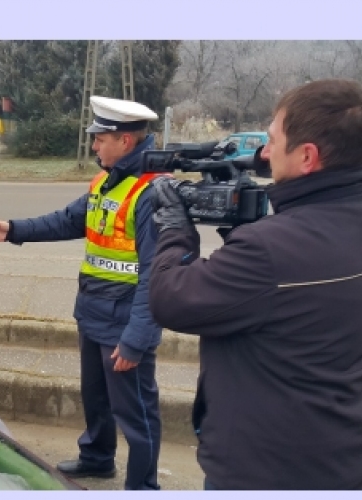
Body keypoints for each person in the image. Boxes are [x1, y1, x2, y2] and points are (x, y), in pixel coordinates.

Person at [147, 78, 362, 490]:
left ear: (307, 156)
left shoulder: (268, 249)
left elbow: (171, 299)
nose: (263, 154)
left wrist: (176, 230)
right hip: (341, 453)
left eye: (272, 141)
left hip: (265, 469)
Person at [0, 96, 162, 490]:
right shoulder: (106, 181)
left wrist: (137, 338)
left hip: (124, 324)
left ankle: (143, 487)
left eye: (100, 138)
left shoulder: (152, 193)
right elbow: (67, 220)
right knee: (96, 398)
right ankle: (98, 459)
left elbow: (158, 274)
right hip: (94, 312)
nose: (94, 146)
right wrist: (12, 230)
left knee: (136, 412)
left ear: (126, 142)